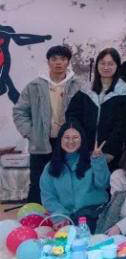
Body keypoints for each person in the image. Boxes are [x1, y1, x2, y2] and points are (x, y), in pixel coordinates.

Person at [13, 44, 83, 204]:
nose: (58, 63)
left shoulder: (78, 85)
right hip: (41, 142)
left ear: (68, 62)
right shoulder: (34, 86)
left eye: (63, 59)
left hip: (69, 142)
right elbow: (19, 112)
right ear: (48, 62)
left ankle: (64, 213)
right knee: (38, 181)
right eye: (54, 59)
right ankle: (34, 214)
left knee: (67, 179)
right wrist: (31, 133)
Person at [65, 47, 126, 170]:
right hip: (85, 149)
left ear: (117, 66)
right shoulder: (86, 89)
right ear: (97, 65)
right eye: (102, 63)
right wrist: (81, 142)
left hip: (112, 153)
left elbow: (123, 124)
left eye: (110, 64)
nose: (106, 67)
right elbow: (72, 115)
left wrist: (110, 149)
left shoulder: (125, 91)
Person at [40, 126, 110, 230]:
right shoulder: (50, 167)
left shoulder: (92, 160)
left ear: (82, 139)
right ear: (60, 140)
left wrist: (98, 161)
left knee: (81, 227)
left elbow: (103, 184)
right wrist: (60, 216)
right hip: (65, 216)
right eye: (67, 137)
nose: (71, 141)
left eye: (75, 137)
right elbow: (48, 197)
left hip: (92, 213)